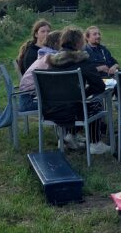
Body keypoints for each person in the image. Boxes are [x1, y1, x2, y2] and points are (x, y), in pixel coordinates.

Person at [42, 26, 111, 155]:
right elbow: (99, 86)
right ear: (79, 43)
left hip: (49, 110)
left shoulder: (52, 61)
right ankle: (95, 143)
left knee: (74, 101)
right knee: (94, 103)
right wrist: (83, 93)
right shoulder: (82, 60)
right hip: (71, 111)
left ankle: (70, 136)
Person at [17, 30, 62, 109]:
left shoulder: (45, 54)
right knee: (66, 105)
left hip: (30, 98)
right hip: (29, 101)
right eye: (63, 43)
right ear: (56, 44)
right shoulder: (50, 58)